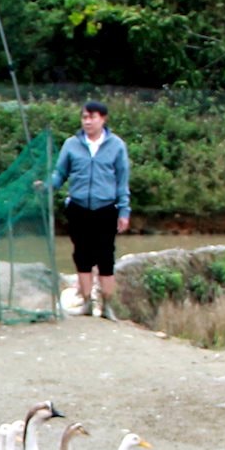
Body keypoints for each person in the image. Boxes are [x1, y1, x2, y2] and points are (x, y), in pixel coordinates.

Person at [49, 101, 130, 318]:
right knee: (82, 255)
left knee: (105, 257)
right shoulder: (71, 145)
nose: (87, 121)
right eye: (84, 117)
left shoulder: (116, 146)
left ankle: (107, 305)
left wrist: (124, 211)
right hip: (78, 208)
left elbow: (122, 182)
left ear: (103, 119)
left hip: (106, 208)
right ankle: (85, 302)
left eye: (92, 117)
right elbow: (60, 173)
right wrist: (48, 185)